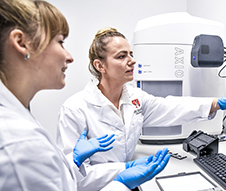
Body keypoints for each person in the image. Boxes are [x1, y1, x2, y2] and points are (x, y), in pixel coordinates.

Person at [57, 27, 226, 183]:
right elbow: (70, 176)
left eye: (131, 54)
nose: (131, 60)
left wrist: (222, 103)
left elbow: (172, 107)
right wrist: (121, 171)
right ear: (100, 65)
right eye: (121, 56)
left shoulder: (134, 98)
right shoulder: (75, 109)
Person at [0, 1, 170, 191]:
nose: (70, 56)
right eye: (60, 42)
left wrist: (73, 162)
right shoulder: (19, 143)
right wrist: (119, 182)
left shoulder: (21, 123)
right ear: (22, 43)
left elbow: (60, 180)